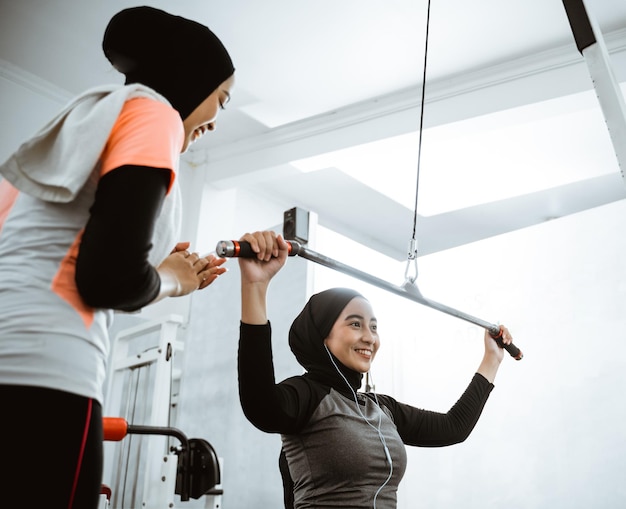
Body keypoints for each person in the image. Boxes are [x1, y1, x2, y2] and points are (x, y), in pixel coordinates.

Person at [0, 6, 233, 509]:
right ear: (191, 80)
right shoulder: (155, 113)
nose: (216, 119)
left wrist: (149, 267)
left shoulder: (69, 133)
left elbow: (68, 261)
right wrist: (169, 280)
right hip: (46, 379)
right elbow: (107, 280)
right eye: (222, 98)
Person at [237, 231, 514, 509]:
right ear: (323, 335)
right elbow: (260, 405)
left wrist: (492, 358)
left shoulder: (381, 409)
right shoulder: (307, 395)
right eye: (355, 324)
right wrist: (255, 286)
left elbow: (453, 427)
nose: (370, 337)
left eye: (374, 326)